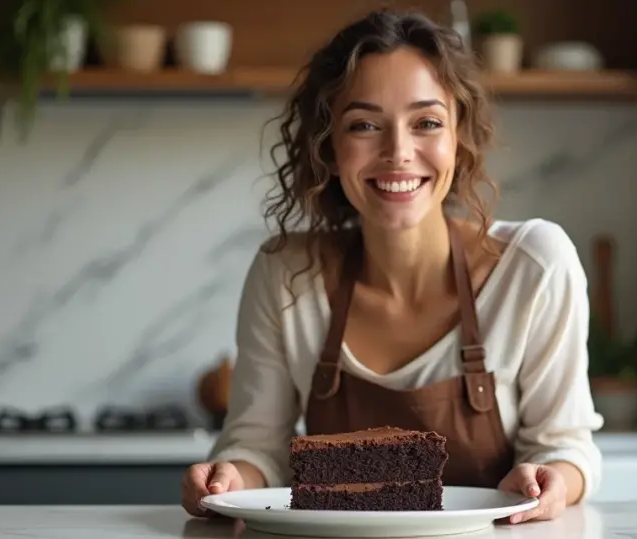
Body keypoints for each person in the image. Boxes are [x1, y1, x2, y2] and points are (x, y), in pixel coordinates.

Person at [182, 9, 604, 524]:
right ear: (329, 147)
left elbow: (567, 447)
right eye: (364, 125)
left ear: (458, 137)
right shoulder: (286, 273)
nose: (398, 153)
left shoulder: (533, 265)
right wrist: (226, 478)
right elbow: (257, 450)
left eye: (427, 123)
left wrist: (552, 479)